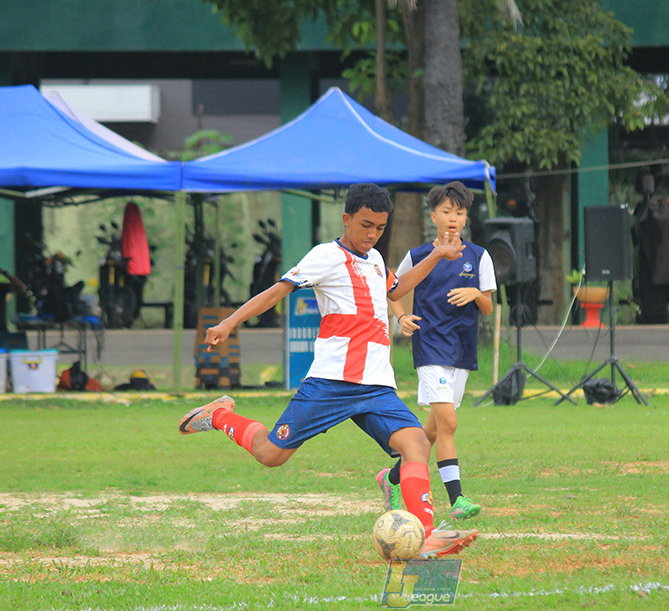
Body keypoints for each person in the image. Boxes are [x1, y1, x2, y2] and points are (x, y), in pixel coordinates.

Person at [178, 183, 478, 559]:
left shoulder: (375, 261)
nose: (372, 235)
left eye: (380, 229)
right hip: (331, 382)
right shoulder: (325, 256)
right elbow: (276, 292)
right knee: (271, 454)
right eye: (366, 225)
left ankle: (426, 536)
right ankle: (219, 415)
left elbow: (398, 289)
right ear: (347, 219)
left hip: (376, 385)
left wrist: (437, 255)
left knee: (416, 443)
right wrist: (229, 322)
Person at [381, 181, 496, 520]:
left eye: (459, 213)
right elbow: (393, 289)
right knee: (448, 422)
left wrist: (475, 295)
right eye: (446, 211)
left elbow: (489, 306)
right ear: (434, 216)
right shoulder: (418, 256)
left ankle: (391, 479)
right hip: (430, 348)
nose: (452, 218)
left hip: (461, 351)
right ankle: (457, 499)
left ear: (465, 219)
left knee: (432, 431)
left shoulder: (479, 256)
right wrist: (401, 316)